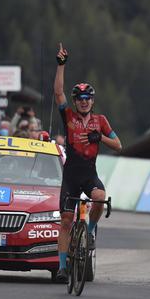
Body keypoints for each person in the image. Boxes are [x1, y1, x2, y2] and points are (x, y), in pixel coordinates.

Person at [53, 42, 122, 281]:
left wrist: (100, 137)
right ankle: (62, 267)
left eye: (87, 98)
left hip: (89, 174)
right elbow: (58, 92)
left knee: (101, 198)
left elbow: (118, 145)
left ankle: (90, 231)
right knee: (66, 220)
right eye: (80, 98)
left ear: (92, 101)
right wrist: (61, 66)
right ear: (75, 101)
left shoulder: (101, 120)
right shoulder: (69, 116)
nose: (84, 101)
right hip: (71, 176)